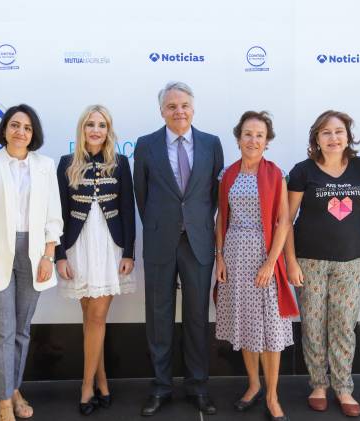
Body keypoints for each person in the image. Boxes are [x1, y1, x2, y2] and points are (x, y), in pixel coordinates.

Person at [0, 104, 63, 421]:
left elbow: (53, 217)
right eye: (15, 125)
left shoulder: (45, 166)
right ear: (5, 129)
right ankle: (4, 402)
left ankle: (14, 388)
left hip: (34, 254)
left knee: (22, 330)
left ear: (33, 134)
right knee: (2, 331)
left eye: (27, 127)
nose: (21, 131)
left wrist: (48, 255)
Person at [133, 81, 224, 416]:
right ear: (161, 111)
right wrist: (162, 225)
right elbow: (141, 194)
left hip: (198, 242)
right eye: (171, 106)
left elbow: (214, 196)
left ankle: (198, 387)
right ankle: (161, 387)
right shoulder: (146, 145)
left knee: (197, 316)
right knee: (158, 317)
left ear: (193, 108)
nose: (179, 111)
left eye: (184, 105)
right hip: (160, 241)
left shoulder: (212, 143)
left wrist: (194, 223)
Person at [284, 110, 360, 417]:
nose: (333, 138)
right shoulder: (303, 171)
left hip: (350, 260)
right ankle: (318, 385)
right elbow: (286, 219)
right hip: (309, 260)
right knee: (313, 325)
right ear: (316, 139)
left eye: (339, 132)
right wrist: (290, 261)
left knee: (343, 325)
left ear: (348, 136)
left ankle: (343, 387)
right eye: (326, 132)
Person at [215, 111, 298, 421]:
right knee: (245, 324)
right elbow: (221, 217)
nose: (253, 140)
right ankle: (253, 385)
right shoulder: (227, 174)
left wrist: (271, 262)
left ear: (267, 141)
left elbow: (284, 221)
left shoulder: (276, 174)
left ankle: (273, 396)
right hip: (234, 255)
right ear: (239, 139)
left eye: (259, 135)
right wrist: (219, 256)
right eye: (247, 134)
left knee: (271, 329)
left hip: (265, 257)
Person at [55, 105, 136, 415]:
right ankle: (102, 382)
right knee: (90, 318)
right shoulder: (66, 163)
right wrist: (59, 255)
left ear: (108, 130)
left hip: (110, 245)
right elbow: (58, 213)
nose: (96, 130)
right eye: (90, 124)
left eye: (102, 125)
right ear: (82, 128)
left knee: (97, 317)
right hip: (77, 245)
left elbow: (128, 210)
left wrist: (129, 252)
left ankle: (86, 386)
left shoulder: (120, 163)